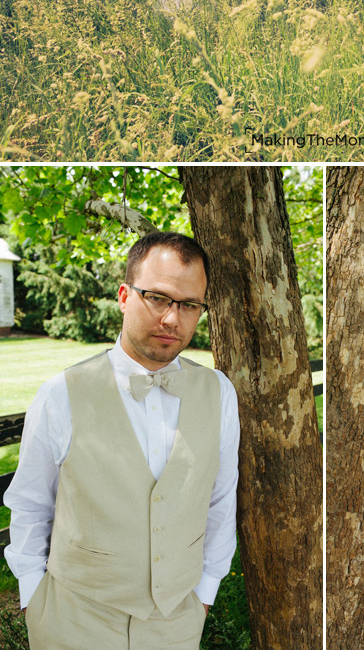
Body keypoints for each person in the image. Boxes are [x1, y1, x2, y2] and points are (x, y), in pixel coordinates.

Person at [4, 231, 239, 650]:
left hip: (177, 626)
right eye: (158, 297)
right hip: (71, 625)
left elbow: (220, 501)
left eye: (189, 305)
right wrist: (33, 599)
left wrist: (204, 594)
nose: (172, 319)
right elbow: (30, 504)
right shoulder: (61, 393)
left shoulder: (219, 393)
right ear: (125, 295)